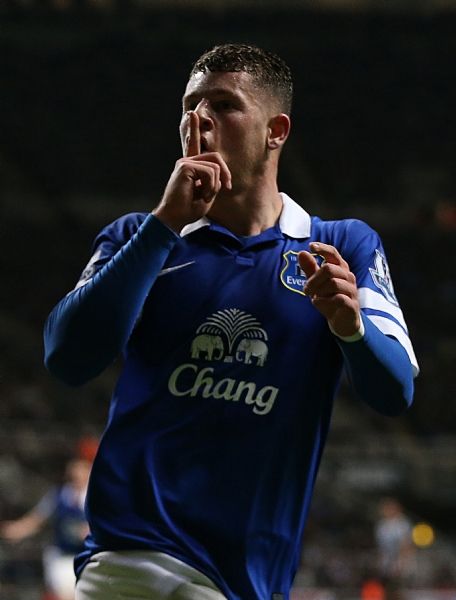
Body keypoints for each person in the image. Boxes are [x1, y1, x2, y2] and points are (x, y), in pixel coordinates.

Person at [43, 43, 419, 600]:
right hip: (136, 563)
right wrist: (165, 222)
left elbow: (395, 391)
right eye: (190, 106)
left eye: (223, 105)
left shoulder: (341, 245)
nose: (200, 119)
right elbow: (68, 358)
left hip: (250, 580)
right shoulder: (139, 238)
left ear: (276, 131)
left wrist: (350, 327)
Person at [1, 457, 91, 600]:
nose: (78, 474)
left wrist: (91, 532)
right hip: (63, 556)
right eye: (75, 469)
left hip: (88, 557)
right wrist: (16, 530)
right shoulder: (59, 495)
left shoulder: (97, 498)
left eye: (82, 469)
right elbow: (37, 518)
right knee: (67, 594)